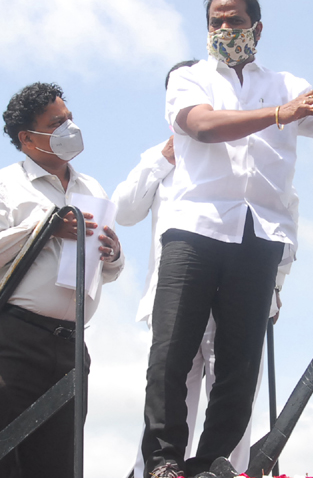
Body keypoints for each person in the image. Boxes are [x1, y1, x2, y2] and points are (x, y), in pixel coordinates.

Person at [139, 0, 313, 478]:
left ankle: (212, 463)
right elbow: (201, 125)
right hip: (194, 227)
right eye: (215, 22)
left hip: (261, 234)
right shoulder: (190, 78)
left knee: (240, 362)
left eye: (235, 20)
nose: (225, 29)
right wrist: (277, 116)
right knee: (171, 352)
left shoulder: (288, 85)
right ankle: (163, 462)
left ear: (257, 28)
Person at [114, 62, 299, 477]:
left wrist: (275, 284)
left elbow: (282, 211)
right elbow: (124, 210)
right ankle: (160, 467)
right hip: (177, 286)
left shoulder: (243, 147)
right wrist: (162, 160)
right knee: (172, 379)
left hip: (238, 279)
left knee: (235, 380)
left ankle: (216, 469)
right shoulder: (160, 156)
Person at [0, 82, 124, 478]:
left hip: (69, 346)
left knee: (59, 466)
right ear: (28, 138)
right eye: (57, 123)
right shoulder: (1, 186)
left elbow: (109, 270)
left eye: (69, 118)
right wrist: (43, 229)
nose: (70, 128)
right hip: (10, 343)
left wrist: (113, 253)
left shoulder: (91, 188)